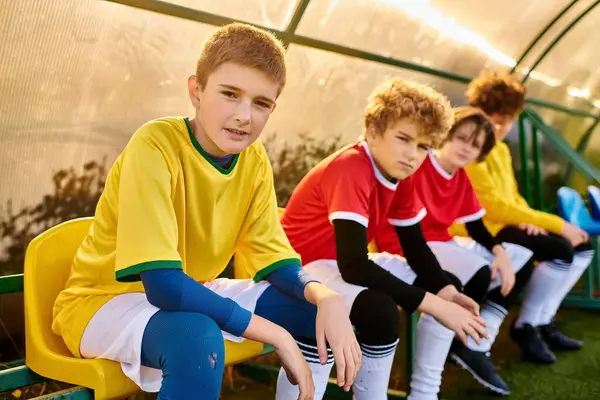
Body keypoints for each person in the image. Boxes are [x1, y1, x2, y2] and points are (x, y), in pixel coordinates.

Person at [51, 22, 362, 400]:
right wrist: (274, 334)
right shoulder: (154, 145)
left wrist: (321, 294)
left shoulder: (254, 159)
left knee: (319, 315)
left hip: (192, 290)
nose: (245, 115)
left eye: (261, 103)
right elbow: (164, 286)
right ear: (196, 90)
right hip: (101, 303)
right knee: (197, 338)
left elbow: (273, 255)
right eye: (230, 94)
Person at [280, 78, 488, 400]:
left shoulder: (400, 173)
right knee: (381, 310)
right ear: (373, 131)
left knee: (445, 286)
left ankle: (424, 394)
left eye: (423, 146)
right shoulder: (351, 166)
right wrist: (434, 305)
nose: (412, 154)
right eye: (404, 138)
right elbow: (354, 266)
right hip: (299, 268)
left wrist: (446, 293)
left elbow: (415, 246)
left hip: (335, 265)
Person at [376, 106, 535, 396]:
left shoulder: (460, 177)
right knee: (475, 274)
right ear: (445, 135)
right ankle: (436, 370)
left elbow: (475, 226)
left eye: (475, 145)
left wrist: (499, 251)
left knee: (518, 256)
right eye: (462, 138)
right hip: (405, 243)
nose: (466, 148)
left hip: (439, 242)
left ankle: (468, 344)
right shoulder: (421, 163)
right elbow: (404, 226)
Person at [451, 70, 595, 364]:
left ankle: (540, 321)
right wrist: (555, 224)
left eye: (507, 121)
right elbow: (491, 206)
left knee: (582, 247)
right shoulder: (471, 149)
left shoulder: (500, 150)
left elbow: (511, 198)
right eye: (495, 120)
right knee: (560, 249)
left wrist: (529, 219)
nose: (499, 128)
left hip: (502, 223)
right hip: (480, 228)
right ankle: (522, 327)